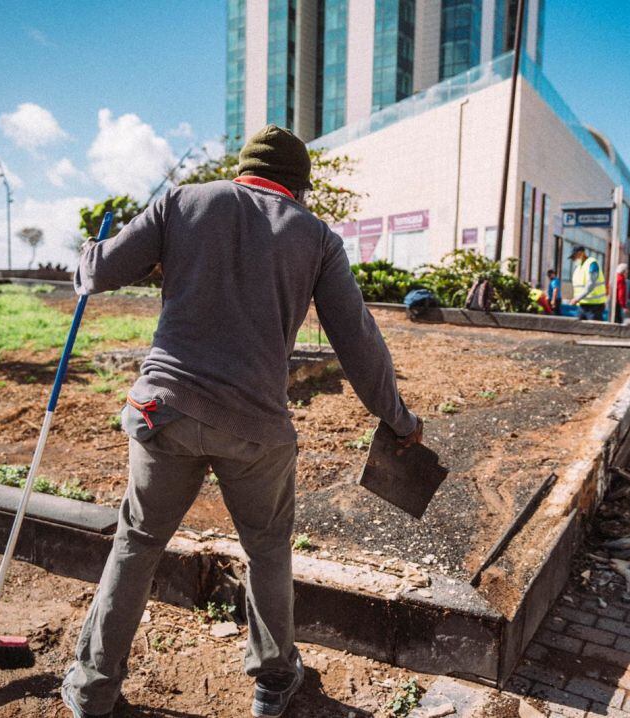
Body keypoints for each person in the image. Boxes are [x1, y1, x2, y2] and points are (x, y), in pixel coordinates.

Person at [61, 124, 423, 718]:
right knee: (268, 549)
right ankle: (273, 681)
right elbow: (358, 340)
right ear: (299, 189)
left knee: (138, 542)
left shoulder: (183, 201)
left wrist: (87, 259)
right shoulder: (316, 238)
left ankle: (95, 688)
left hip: (166, 410)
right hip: (256, 428)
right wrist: (399, 419)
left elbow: (100, 273)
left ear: (242, 170)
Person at [569, 246, 607, 321]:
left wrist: (577, 298)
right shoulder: (578, 267)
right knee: (579, 329)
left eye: (574, 257)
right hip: (582, 305)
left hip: (594, 306)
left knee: (595, 330)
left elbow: (591, 284)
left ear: (581, 253)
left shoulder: (592, 263)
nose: (573, 260)